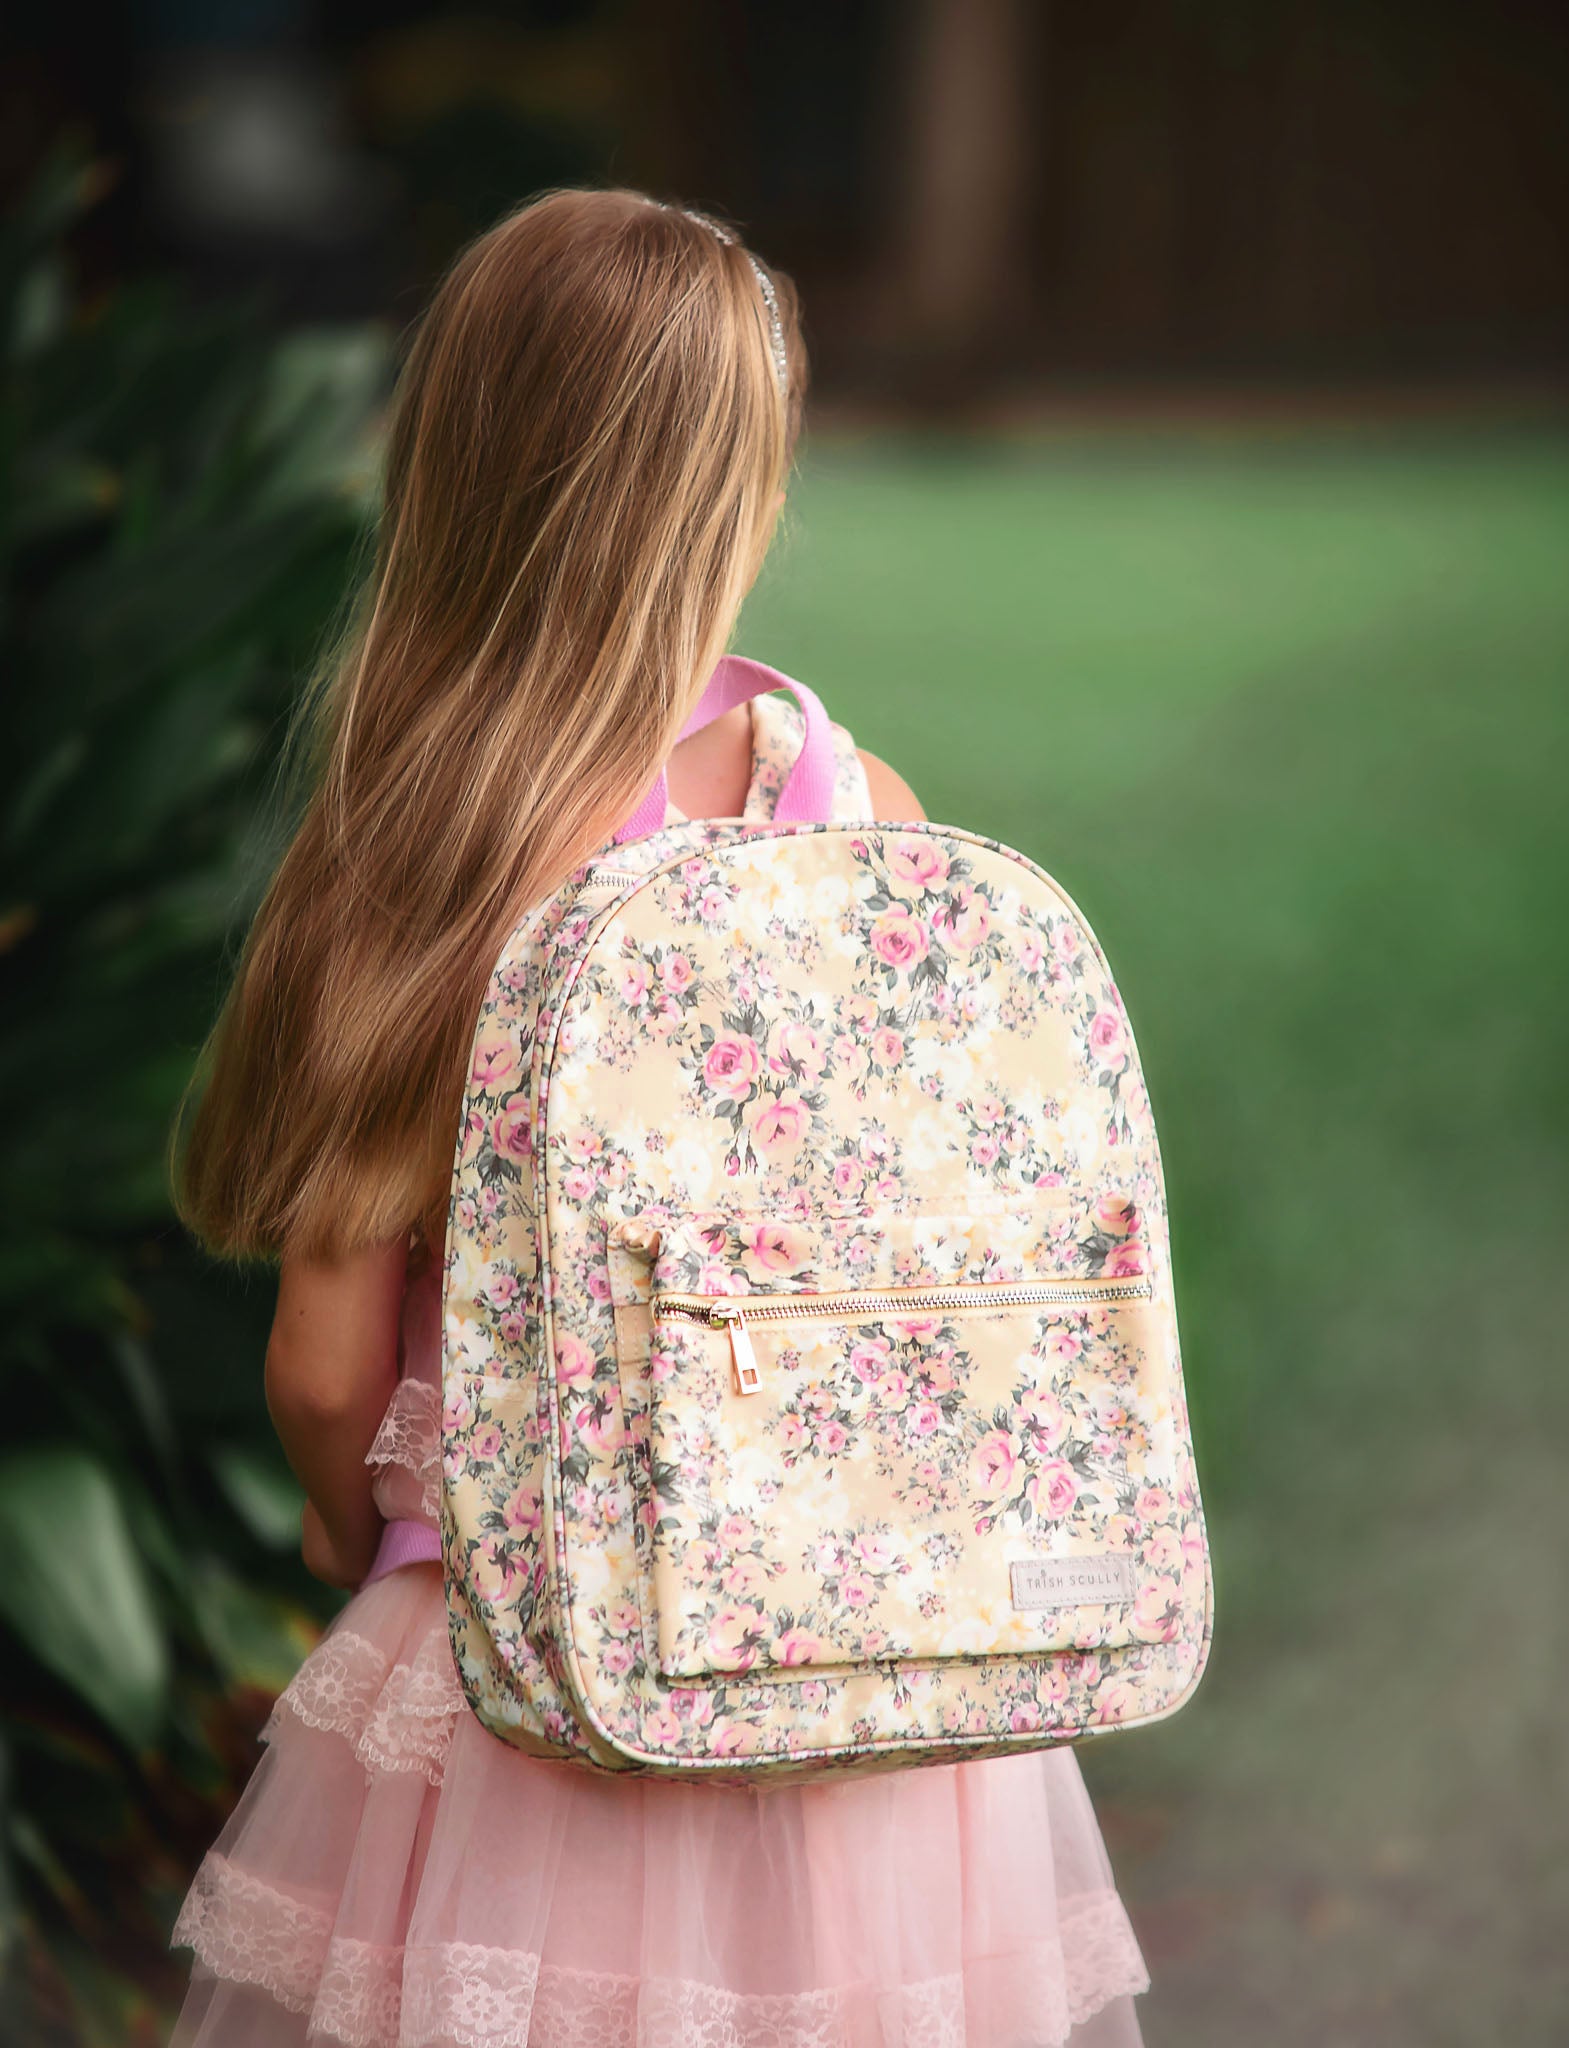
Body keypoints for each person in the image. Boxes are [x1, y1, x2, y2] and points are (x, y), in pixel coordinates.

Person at [168, 187, 1150, 2048]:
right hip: (859, 1670)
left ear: (451, 461)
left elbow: (319, 1363)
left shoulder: (423, 854)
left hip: (538, 1673)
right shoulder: (862, 812)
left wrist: (338, 1526)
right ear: (743, 488)